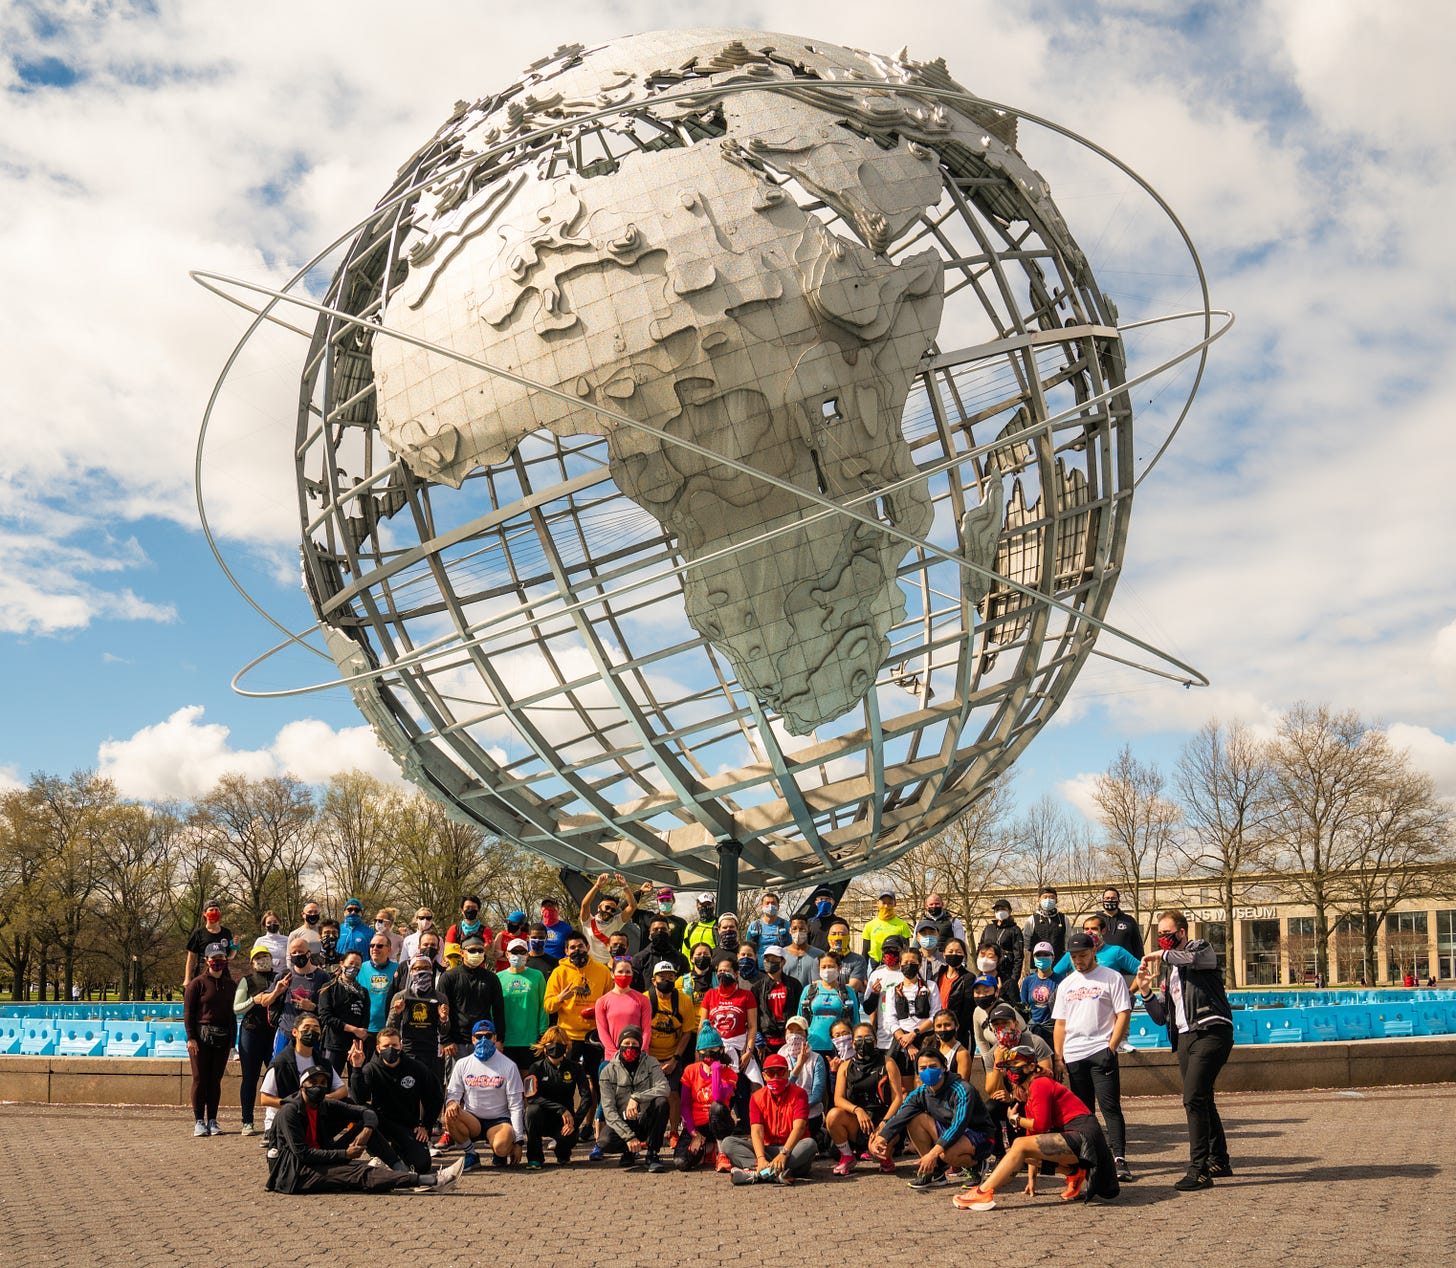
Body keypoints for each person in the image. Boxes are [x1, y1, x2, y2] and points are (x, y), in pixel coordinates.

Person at [1135, 908, 1235, 1190]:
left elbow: (1193, 958)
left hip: (1211, 1030)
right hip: (1185, 1037)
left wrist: (1161, 955)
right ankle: (1220, 1159)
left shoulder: (1201, 949)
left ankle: (1199, 1169)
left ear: (1181, 932)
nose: (1162, 940)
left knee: (1192, 1098)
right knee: (1203, 1098)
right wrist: (1145, 991)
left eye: (1166, 934)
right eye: (1159, 935)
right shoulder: (1171, 972)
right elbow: (1161, 1017)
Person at [952, 1042, 1119, 1210]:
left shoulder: (1040, 1084)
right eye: (1008, 1066)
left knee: (1019, 1145)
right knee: (1019, 1151)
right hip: (1073, 1137)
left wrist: (1015, 1119)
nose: (1011, 1070)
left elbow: (1041, 1124)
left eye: (1015, 1064)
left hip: (1083, 1135)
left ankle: (982, 1192)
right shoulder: (1030, 1091)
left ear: (1031, 1065)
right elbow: (1031, 1137)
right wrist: (1032, 1181)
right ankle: (1074, 1174)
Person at [267, 1065, 464, 1194]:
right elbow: (303, 1154)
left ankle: (400, 1172)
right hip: (297, 1173)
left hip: (320, 1157)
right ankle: (430, 1181)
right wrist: (345, 1153)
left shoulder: (323, 1104)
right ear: (302, 1086)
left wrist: (368, 1129)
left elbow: (366, 1112)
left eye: (323, 1083)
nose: (318, 1087)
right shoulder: (290, 1112)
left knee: (364, 1127)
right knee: (361, 1173)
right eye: (313, 1083)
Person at [1054, 930, 1133, 1182]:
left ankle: (1119, 1158)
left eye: (1083, 955)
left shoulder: (1112, 977)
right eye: (1074, 956)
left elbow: (1123, 1013)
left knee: (1110, 1107)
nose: (1078, 960)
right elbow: (1060, 1024)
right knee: (1082, 1112)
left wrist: (1111, 1047)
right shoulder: (1067, 984)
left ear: (1094, 952)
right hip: (1074, 1054)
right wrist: (1058, 1055)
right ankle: (1088, 1160)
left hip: (1101, 1050)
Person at [870, 1047, 995, 1190]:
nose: (928, 1071)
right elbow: (901, 1116)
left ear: (943, 1067)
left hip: (978, 1135)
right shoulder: (920, 1093)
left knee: (946, 1154)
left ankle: (976, 1166)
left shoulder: (963, 1089)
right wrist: (882, 1138)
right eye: (923, 1068)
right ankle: (934, 1173)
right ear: (917, 1072)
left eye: (933, 1066)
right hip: (950, 1133)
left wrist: (933, 1154)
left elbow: (959, 1125)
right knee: (915, 1119)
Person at [347, 1026, 444, 1176]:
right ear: (378, 1048)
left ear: (401, 1046)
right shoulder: (370, 1069)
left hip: (408, 1126)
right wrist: (356, 1070)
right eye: (386, 1046)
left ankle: (398, 1152)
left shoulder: (416, 1068)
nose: (390, 1049)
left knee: (422, 1165)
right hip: (381, 1125)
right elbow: (358, 1099)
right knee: (364, 1112)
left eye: (394, 1045)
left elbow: (435, 1096)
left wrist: (425, 1125)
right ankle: (377, 1155)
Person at [443, 1018, 526, 1167]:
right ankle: (471, 1154)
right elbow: (453, 1094)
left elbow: (516, 1106)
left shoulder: (509, 1065)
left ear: (495, 1038)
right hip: (472, 1120)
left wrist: (518, 1141)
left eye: (488, 1036)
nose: (483, 1040)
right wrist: (452, 1104)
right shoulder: (463, 1064)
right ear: (473, 1039)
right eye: (479, 1036)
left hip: (499, 1120)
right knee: (450, 1114)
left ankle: (500, 1151)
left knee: (501, 1148)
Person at [723, 1051, 814, 1184]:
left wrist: (784, 1153)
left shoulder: (799, 1094)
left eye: (780, 1072)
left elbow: (799, 1128)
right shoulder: (757, 1097)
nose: (776, 1076)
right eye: (771, 1073)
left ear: (788, 1073)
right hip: (768, 1149)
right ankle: (775, 1174)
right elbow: (756, 1130)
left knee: (809, 1145)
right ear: (764, 1075)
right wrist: (760, 1158)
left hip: (792, 1149)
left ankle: (757, 1174)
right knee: (728, 1143)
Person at [826, 1021, 904, 1175]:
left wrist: (883, 1124)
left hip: (884, 1119)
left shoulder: (888, 1063)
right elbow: (838, 1099)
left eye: (868, 1038)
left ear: (875, 1041)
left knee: (879, 1151)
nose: (863, 1043)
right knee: (833, 1115)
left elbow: (898, 1099)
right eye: (859, 1039)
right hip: (858, 1121)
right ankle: (847, 1156)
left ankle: (885, 1157)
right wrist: (857, 1110)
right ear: (853, 1044)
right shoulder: (845, 1066)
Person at [258, 1017, 347, 1141]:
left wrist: (324, 1098)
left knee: (355, 1108)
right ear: (295, 1032)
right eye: (306, 1028)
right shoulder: (280, 1063)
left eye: (316, 1028)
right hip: (286, 1120)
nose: (311, 1031)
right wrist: (295, 1104)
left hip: (314, 1119)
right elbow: (265, 1098)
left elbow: (343, 1090)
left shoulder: (323, 1063)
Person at [596, 1024, 670, 1171]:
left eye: (635, 1044)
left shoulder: (651, 1063)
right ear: (619, 1046)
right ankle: (628, 1151)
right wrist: (628, 1136)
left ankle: (652, 1154)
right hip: (624, 1121)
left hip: (646, 1119)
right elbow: (609, 1111)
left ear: (640, 1045)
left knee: (662, 1102)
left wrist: (636, 1098)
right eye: (626, 1043)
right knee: (604, 1142)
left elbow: (664, 1088)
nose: (630, 1047)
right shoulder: (608, 1071)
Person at [233, 941, 287, 1136]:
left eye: (265, 957)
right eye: (258, 958)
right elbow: (236, 1008)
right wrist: (252, 1001)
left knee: (275, 1077)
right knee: (250, 1078)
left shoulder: (279, 978)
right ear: (252, 962)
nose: (262, 960)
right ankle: (247, 1121)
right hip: (251, 1032)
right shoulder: (247, 981)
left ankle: (275, 1121)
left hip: (273, 1033)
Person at [183, 940, 235, 1137]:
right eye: (214, 958)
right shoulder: (197, 984)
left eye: (221, 958)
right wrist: (191, 1038)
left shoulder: (230, 985)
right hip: (201, 1037)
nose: (218, 961)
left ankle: (212, 1119)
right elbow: (188, 1013)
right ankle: (199, 1120)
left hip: (222, 1037)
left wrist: (232, 1042)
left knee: (215, 1080)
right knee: (199, 1079)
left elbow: (232, 1015)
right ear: (206, 960)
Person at [701, 954, 760, 1118]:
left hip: (740, 1048)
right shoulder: (710, 995)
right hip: (715, 1050)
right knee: (718, 1087)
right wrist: (700, 1053)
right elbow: (702, 1026)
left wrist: (749, 1051)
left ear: (736, 974)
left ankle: (747, 1121)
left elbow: (753, 1026)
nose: (722, 974)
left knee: (744, 1087)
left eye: (726, 971)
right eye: (719, 971)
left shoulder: (746, 995)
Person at [523, 1025, 589, 1168]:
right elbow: (531, 1096)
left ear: (566, 1047)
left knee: (569, 1138)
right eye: (551, 1043)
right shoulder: (536, 1067)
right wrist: (560, 1109)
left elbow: (587, 1097)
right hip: (542, 1117)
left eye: (559, 1043)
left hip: (565, 1121)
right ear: (544, 1047)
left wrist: (575, 1123)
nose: (555, 1047)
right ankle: (535, 1158)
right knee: (531, 1112)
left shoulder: (576, 1068)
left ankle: (563, 1154)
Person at [676, 1023, 739, 1172]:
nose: (708, 1055)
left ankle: (722, 1152)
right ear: (698, 1052)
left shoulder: (730, 1074)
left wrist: (716, 1070)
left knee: (716, 1107)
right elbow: (684, 1105)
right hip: (697, 1126)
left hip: (719, 1122)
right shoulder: (690, 1071)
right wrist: (693, 1132)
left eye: (712, 1050)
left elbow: (718, 1097)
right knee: (681, 1162)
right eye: (704, 1051)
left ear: (721, 1050)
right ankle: (707, 1149)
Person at [439, 932, 506, 1063]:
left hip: (485, 1040)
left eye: (480, 950)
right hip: (456, 1043)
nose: (476, 953)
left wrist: (499, 1040)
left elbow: (499, 1010)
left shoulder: (491, 978)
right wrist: (446, 1040)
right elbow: (440, 1011)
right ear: (462, 952)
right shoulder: (449, 977)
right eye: (472, 950)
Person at [542, 932, 611, 1057]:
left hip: (595, 1034)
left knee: (594, 1075)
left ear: (588, 948)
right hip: (567, 1036)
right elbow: (547, 1006)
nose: (577, 950)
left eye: (580, 946)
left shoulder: (603, 971)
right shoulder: (558, 972)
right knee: (568, 1075)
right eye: (573, 947)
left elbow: (611, 1003)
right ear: (566, 951)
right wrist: (560, 998)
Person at [646, 960, 698, 1127]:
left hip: (672, 1055)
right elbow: (640, 1031)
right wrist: (651, 1060)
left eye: (671, 977)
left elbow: (687, 1032)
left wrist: (674, 1060)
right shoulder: (645, 999)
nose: (666, 981)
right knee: (647, 1095)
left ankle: (674, 1131)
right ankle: (648, 1131)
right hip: (648, 1055)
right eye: (662, 977)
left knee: (673, 1093)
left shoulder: (683, 1000)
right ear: (654, 980)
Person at [388, 952, 450, 1092]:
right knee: (407, 1093)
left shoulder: (440, 997)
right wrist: (396, 1013)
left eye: (426, 968)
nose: (422, 971)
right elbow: (390, 1029)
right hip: (408, 1053)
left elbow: (445, 1031)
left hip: (432, 1054)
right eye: (417, 968)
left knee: (432, 1094)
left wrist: (443, 1018)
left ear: (431, 970)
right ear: (411, 971)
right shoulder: (401, 996)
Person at [272, 937, 331, 1060]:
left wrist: (313, 1007)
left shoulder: (323, 977)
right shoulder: (284, 975)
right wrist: (276, 992)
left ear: (308, 953)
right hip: (286, 1032)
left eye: (300, 951)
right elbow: (264, 1001)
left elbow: (330, 1008)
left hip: (311, 1034)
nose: (297, 955)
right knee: (280, 1070)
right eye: (293, 952)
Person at [317, 951, 371, 1074]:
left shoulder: (363, 992)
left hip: (356, 1045)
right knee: (330, 1080)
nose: (354, 967)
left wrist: (359, 1038)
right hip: (334, 1043)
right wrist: (352, 1029)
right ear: (342, 964)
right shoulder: (328, 988)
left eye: (357, 965)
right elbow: (326, 1016)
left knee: (357, 1081)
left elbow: (365, 1018)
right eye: (351, 963)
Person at [799, 951, 862, 1058]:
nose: (827, 970)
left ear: (839, 968)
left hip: (840, 1046)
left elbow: (855, 1019)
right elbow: (800, 1019)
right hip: (813, 1045)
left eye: (831, 966)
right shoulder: (808, 990)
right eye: (823, 967)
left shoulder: (848, 991)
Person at [499, 937, 548, 1066]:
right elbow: (494, 1009)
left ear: (527, 955)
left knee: (529, 1079)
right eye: (514, 952)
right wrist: (496, 1035)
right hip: (507, 1039)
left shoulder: (537, 976)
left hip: (530, 1039)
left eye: (522, 952)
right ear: (507, 954)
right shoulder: (498, 977)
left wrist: (543, 1032)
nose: (518, 955)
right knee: (509, 1080)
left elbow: (544, 1005)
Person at [780, 1015, 826, 1147]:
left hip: (809, 1113)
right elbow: (781, 1090)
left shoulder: (817, 1059)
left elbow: (817, 1095)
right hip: (785, 1112)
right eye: (791, 1031)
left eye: (799, 1032)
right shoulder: (779, 1057)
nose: (794, 1036)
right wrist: (798, 1066)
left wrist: (798, 1109)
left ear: (806, 1035)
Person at [1052, 913, 1143, 980]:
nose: (1089, 932)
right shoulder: (1073, 953)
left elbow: (1142, 972)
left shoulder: (1116, 951)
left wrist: (1129, 993)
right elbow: (1054, 975)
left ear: (1103, 931)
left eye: (1094, 929)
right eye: (1086, 929)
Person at [597, 955, 653, 1061]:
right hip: (612, 1059)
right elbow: (602, 1032)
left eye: (628, 972)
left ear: (632, 974)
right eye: (620, 972)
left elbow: (646, 1030)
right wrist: (615, 1054)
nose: (624, 975)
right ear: (612, 974)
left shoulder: (643, 1000)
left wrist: (641, 1051)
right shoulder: (602, 1002)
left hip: (637, 1057)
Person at [752, 944, 804, 1059]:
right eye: (767, 959)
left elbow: (800, 1012)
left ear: (783, 962)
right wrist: (758, 1038)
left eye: (774, 959)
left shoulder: (794, 985)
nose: (770, 962)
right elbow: (754, 1015)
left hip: (790, 1040)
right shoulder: (757, 987)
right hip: (767, 1043)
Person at [580, 872, 639, 964]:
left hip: (608, 965)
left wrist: (624, 886)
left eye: (613, 910)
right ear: (599, 907)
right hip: (589, 964)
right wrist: (597, 886)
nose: (609, 911)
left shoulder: (617, 922)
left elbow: (632, 906)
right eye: (607, 907)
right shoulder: (588, 920)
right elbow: (585, 904)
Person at [977, 898, 1024, 1002]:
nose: (1000, 911)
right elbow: (980, 947)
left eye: (1003, 909)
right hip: (987, 971)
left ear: (1009, 911)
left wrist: (1014, 978)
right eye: (997, 909)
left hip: (1006, 972)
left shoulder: (1014, 930)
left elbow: (1018, 956)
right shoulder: (989, 928)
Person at [934, 936, 978, 1045]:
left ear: (964, 955)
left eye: (958, 952)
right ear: (944, 954)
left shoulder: (968, 978)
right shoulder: (937, 976)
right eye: (950, 951)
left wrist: (954, 1028)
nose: (954, 954)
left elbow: (968, 1008)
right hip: (938, 1029)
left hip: (958, 1031)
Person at [1021, 940, 1063, 1046]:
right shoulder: (1028, 981)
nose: (1042, 958)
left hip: (1052, 1030)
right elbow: (1024, 1006)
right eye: (1038, 955)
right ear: (1034, 958)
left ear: (1052, 957)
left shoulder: (1061, 981)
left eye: (1046, 955)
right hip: (1032, 1030)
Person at [183, 901, 233, 987]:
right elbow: (191, 957)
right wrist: (187, 978)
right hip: (203, 972)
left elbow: (230, 956)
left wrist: (236, 947)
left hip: (223, 973)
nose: (214, 912)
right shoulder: (198, 933)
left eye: (217, 910)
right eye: (211, 910)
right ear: (204, 913)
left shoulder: (226, 932)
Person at [631, 914, 688, 986]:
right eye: (655, 930)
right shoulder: (639, 959)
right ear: (650, 933)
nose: (659, 932)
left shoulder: (681, 959)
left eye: (663, 929)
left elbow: (686, 985)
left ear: (669, 932)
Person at [362, 931, 398, 1045]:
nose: (375, 948)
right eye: (372, 945)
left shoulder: (398, 969)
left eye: (379, 946)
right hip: (366, 1029)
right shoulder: (361, 968)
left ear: (389, 950)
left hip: (390, 1028)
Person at [861, 889, 913, 964]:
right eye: (883, 903)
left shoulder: (902, 925)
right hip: (874, 963)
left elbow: (906, 950)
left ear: (895, 904)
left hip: (895, 964)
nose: (886, 906)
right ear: (877, 903)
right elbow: (865, 951)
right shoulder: (869, 925)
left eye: (890, 903)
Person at [744, 891, 792, 967]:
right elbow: (747, 948)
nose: (770, 906)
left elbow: (791, 948)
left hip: (779, 969)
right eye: (767, 903)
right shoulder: (754, 926)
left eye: (773, 903)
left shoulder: (786, 925)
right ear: (761, 906)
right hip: (759, 970)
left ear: (778, 906)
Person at [1023, 887, 1069, 962]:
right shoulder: (1032, 919)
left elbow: (1067, 941)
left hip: (1058, 962)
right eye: (1045, 897)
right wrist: (1026, 964)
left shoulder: (1063, 919)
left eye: (1051, 898)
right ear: (1039, 900)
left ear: (1056, 900)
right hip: (1037, 962)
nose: (1048, 900)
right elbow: (1026, 944)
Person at [824, 918, 870, 993]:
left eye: (841, 934)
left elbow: (853, 987)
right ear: (828, 936)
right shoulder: (820, 960)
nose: (837, 937)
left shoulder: (858, 960)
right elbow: (818, 985)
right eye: (833, 934)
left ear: (848, 937)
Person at [781, 915, 826, 989]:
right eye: (794, 928)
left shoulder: (820, 955)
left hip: (811, 997)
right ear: (789, 930)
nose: (798, 932)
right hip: (789, 997)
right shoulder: (781, 954)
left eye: (802, 928)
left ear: (808, 929)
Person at [1099, 888, 1144, 958]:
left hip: (1125, 966)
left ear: (1118, 901)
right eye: (1107, 898)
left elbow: (1138, 946)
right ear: (1102, 901)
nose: (1110, 900)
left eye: (1113, 898)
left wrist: (1140, 965)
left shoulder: (1129, 920)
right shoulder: (1095, 920)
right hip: (1102, 964)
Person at [679, 942, 717, 1008]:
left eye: (706, 954)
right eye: (699, 954)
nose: (702, 956)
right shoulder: (682, 981)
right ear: (692, 959)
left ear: (711, 959)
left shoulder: (719, 979)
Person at [538, 896, 574, 961]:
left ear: (557, 909)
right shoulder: (537, 928)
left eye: (551, 906)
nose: (548, 908)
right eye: (545, 906)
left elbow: (572, 947)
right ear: (541, 910)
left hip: (560, 965)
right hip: (541, 965)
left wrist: (564, 962)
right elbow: (531, 948)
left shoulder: (566, 928)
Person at [682, 892, 718, 956]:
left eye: (708, 904)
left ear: (714, 905)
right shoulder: (690, 927)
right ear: (697, 906)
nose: (705, 907)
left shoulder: (719, 926)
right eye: (702, 904)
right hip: (693, 965)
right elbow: (686, 951)